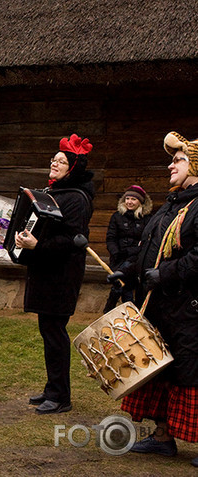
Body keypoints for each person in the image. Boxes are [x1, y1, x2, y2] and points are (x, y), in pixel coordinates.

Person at [109, 132, 198, 467]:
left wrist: (167, 274)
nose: (170, 165)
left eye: (178, 160)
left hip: (190, 307)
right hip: (163, 306)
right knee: (163, 369)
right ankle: (162, 438)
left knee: (193, 372)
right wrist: (127, 272)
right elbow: (150, 252)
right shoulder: (171, 205)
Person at [14, 133, 94, 415]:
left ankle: (61, 397)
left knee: (55, 332)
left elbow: (73, 239)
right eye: (54, 160)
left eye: (62, 161)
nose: (55, 164)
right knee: (48, 331)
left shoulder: (77, 199)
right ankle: (52, 389)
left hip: (62, 275)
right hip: (45, 271)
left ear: (73, 167)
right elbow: (46, 229)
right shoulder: (53, 194)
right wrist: (27, 240)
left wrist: (39, 245)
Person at [103, 184, 152, 313]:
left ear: (140, 201)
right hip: (118, 258)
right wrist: (115, 252)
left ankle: (111, 310)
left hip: (135, 260)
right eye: (127, 199)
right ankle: (124, 312)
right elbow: (111, 238)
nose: (129, 202)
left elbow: (146, 242)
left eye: (133, 199)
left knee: (124, 286)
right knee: (121, 285)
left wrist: (131, 252)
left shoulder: (147, 219)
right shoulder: (117, 216)